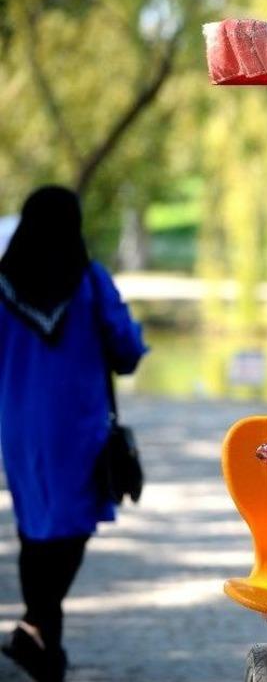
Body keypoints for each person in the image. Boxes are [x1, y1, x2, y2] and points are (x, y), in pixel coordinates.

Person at [0, 186, 148, 682]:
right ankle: (35, 626)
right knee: (70, 531)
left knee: (35, 530)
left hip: (20, 429)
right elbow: (125, 350)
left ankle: (46, 653)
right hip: (79, 428)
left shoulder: (3, 284)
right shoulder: (88, 280)